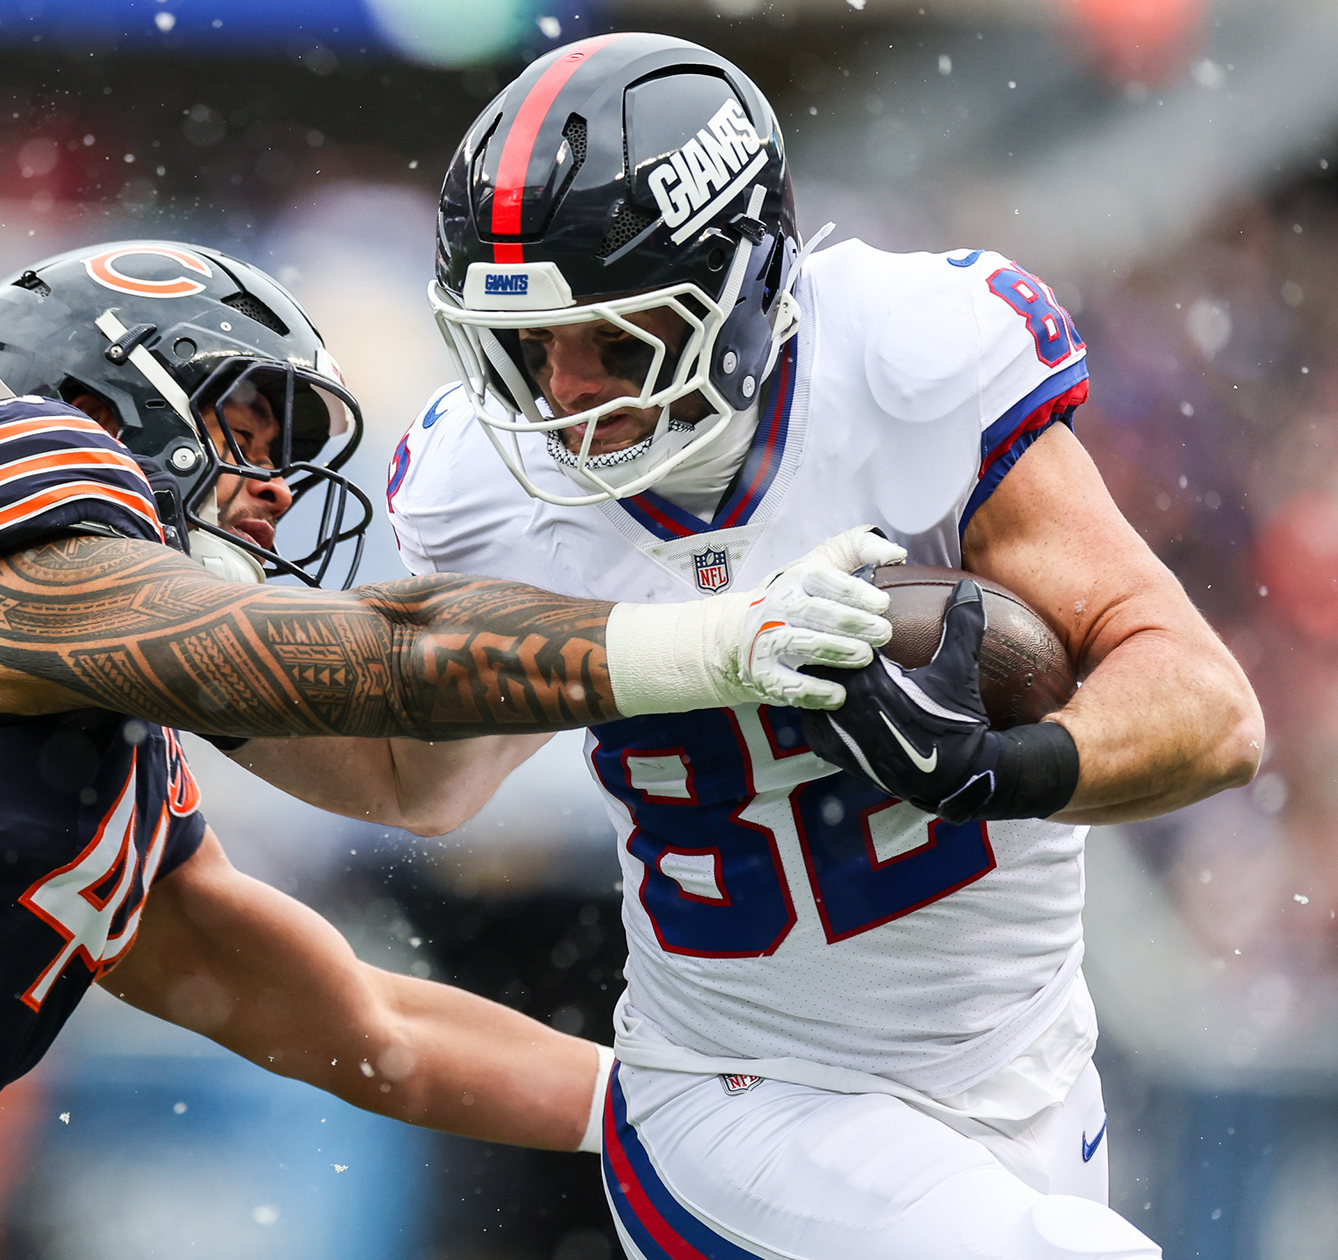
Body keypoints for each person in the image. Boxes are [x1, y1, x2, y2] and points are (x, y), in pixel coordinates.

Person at [0, 240, 893, 1260]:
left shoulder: (107, 779)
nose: (273, 482)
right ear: (116, 398)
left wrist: (696, 1114)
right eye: (251, 420)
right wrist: (694, 640)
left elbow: (377, 1032)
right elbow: (338, 659)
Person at [342, 34, 1262, 1260]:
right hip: (738, 1097)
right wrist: (158, 678)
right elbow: (422, 781)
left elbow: (1209, 710)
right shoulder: (481, 487)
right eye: (524, 350)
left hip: (1028, 1070)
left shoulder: (910, 361)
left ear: (746, 290)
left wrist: (1011, 764)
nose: (563, 396)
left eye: (615, 342)